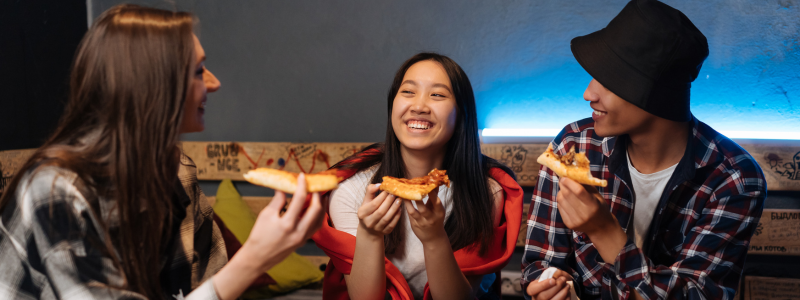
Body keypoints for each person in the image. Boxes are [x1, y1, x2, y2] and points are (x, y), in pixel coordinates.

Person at [0, 5, 325, 300]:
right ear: (152, 85)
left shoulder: (177, 172)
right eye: (199, 71)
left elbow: (207, 286)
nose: (214, 84)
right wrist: (254, 259)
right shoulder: (55, 193)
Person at [521, 1, 767, 299]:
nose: (588, 94)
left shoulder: (733, 178)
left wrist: (603, 231)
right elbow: (540, 263)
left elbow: (697, 293)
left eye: (608, 79)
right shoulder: (574, 146)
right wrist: (551, 284)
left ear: (655, 94)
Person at [312, 53, 523, 300]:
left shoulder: (486, 192)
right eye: (408, 92)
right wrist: (369, 234)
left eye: (437, 95)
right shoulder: (352, 190)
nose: (419, 106)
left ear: (461, 113)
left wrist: (435, 239)